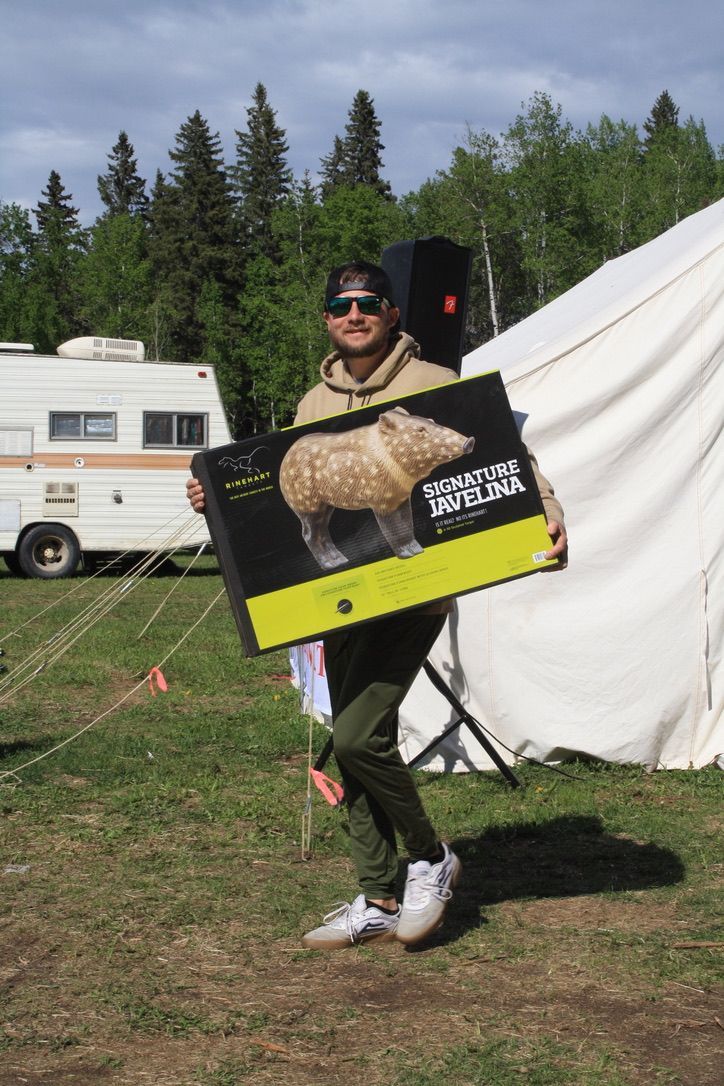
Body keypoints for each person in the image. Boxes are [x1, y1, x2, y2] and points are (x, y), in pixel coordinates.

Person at [187, 260, 567, 950]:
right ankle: (379, 895)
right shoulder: (311, 404)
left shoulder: (437, 387)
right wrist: (214, 500)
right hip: (333, 599)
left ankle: (429, 856)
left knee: (359, 736)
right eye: (340, 305)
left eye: (368, 302)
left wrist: (544, 508)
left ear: (392, 314)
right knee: (363, 744)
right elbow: (280, 499)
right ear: (328, 319)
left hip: (412, 591)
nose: (354, 314)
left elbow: (513, 458)